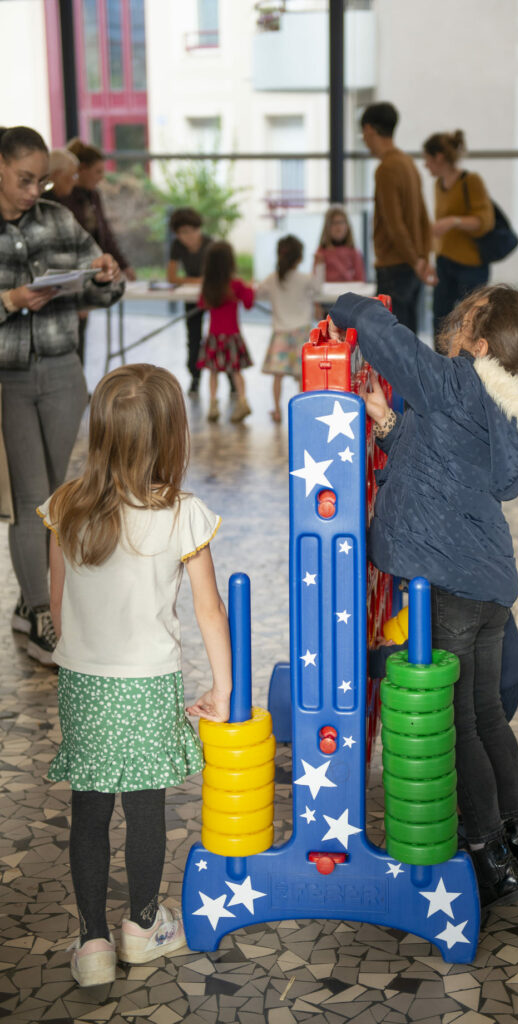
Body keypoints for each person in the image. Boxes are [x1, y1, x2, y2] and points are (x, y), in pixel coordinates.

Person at [328, 284, 518, 910]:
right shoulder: (506, 406)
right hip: (488, 585)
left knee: (460, 723)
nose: (457, 320)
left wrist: (351, 304)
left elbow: (388, 342)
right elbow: (438, 463)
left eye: (468, 316)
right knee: (488, 715)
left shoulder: (456, 381)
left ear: (481, 343)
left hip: (447, 582)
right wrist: (387, 425)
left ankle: (485, 852)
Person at [37, 363, 231, 987]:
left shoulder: (65, 505)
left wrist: (88, 653)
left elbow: (57, 602)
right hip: (147, 685)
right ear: (172, 437)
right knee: (147, 810)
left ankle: (92, 944)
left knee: (89, 812)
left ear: (100, 433)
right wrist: (222, 690)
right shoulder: (183, 515)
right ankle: (144, 927)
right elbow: (208, 609)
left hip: (84, 682)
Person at [0, 125, 124, 665]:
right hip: (8, 377)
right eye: (24, 180)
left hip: (61, 371)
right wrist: (10, 299)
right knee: (31, 497)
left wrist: (104, 275)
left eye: (41, 181)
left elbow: (108, 287)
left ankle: (52, 602)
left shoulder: (58, 220)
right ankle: (37, 611)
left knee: (61, 496)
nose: (34, 192)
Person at [56, 139, 135, 363]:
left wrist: (123, 262)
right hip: (72, 274)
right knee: (72, 332)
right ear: (80, 170)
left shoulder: (93, 196)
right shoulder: (62, 198)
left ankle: (78, 383)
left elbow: (105, 233)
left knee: (81, 331)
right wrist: (77, 296)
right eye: (97, 171)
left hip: (90, 272)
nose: (101, 177)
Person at [360, 102, 433, 333]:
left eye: (363, 133)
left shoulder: (386, 169)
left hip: (394, 266)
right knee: (409, 341)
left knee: (392, 346)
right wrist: (422, 259)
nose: (363, 138)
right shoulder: (408, 163)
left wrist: (415, 260)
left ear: (370, 130)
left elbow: (394, 225)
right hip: (412, 267)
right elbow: (423, 216)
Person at [423, 130, 495, 339]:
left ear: (439, 157)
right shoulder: (438, 185)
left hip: (471, 266)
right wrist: (431, 259)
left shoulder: (470, 181)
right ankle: (442, 368)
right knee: (440, 320)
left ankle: (470, 368)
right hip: (445, 263)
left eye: (427, 159)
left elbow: (485, 221)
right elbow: (439, 231)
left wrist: (453, 221)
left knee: (473, 323)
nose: (425, 165)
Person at [257, 234, 316, 423]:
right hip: (301, 333)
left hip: (281, 333)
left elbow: (257, 292)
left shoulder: (273, 279)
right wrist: (320, 265)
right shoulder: (305, 279)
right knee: (301, 376)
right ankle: (303, 410)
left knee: (278, 377)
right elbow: (319, 287)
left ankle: (277, 410)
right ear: (299, 258)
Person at [197, 240, 254, 423]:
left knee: (213, 372)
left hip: (214, 336)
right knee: (236, 371)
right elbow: (248, 303)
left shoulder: (208, 285)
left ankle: (213, 404)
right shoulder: (236, 284)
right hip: (232, 336)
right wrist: (250, 287)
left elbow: (202, 304)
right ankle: (243, 402)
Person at [166, 207, 212, 394]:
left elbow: (214, 275)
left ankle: (232, 382)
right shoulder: (177, 245)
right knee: (193, 337)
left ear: (198, 229)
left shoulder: (210, 243)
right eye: (182, 233)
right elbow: (171, 276)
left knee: (221, 336)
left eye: (191, 231)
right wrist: (196, 280)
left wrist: (198, 280)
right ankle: (195, 377)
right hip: (190, 294)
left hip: (212, 294)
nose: (188, 236)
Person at [314, 206, 365, 283]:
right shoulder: (321, 252)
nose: (339, 227)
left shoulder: (354, 252)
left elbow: (360, 281)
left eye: (342, 222)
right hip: (328, 293)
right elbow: (316, 282)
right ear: (327, 227)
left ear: (347, 225)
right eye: (334, 223)